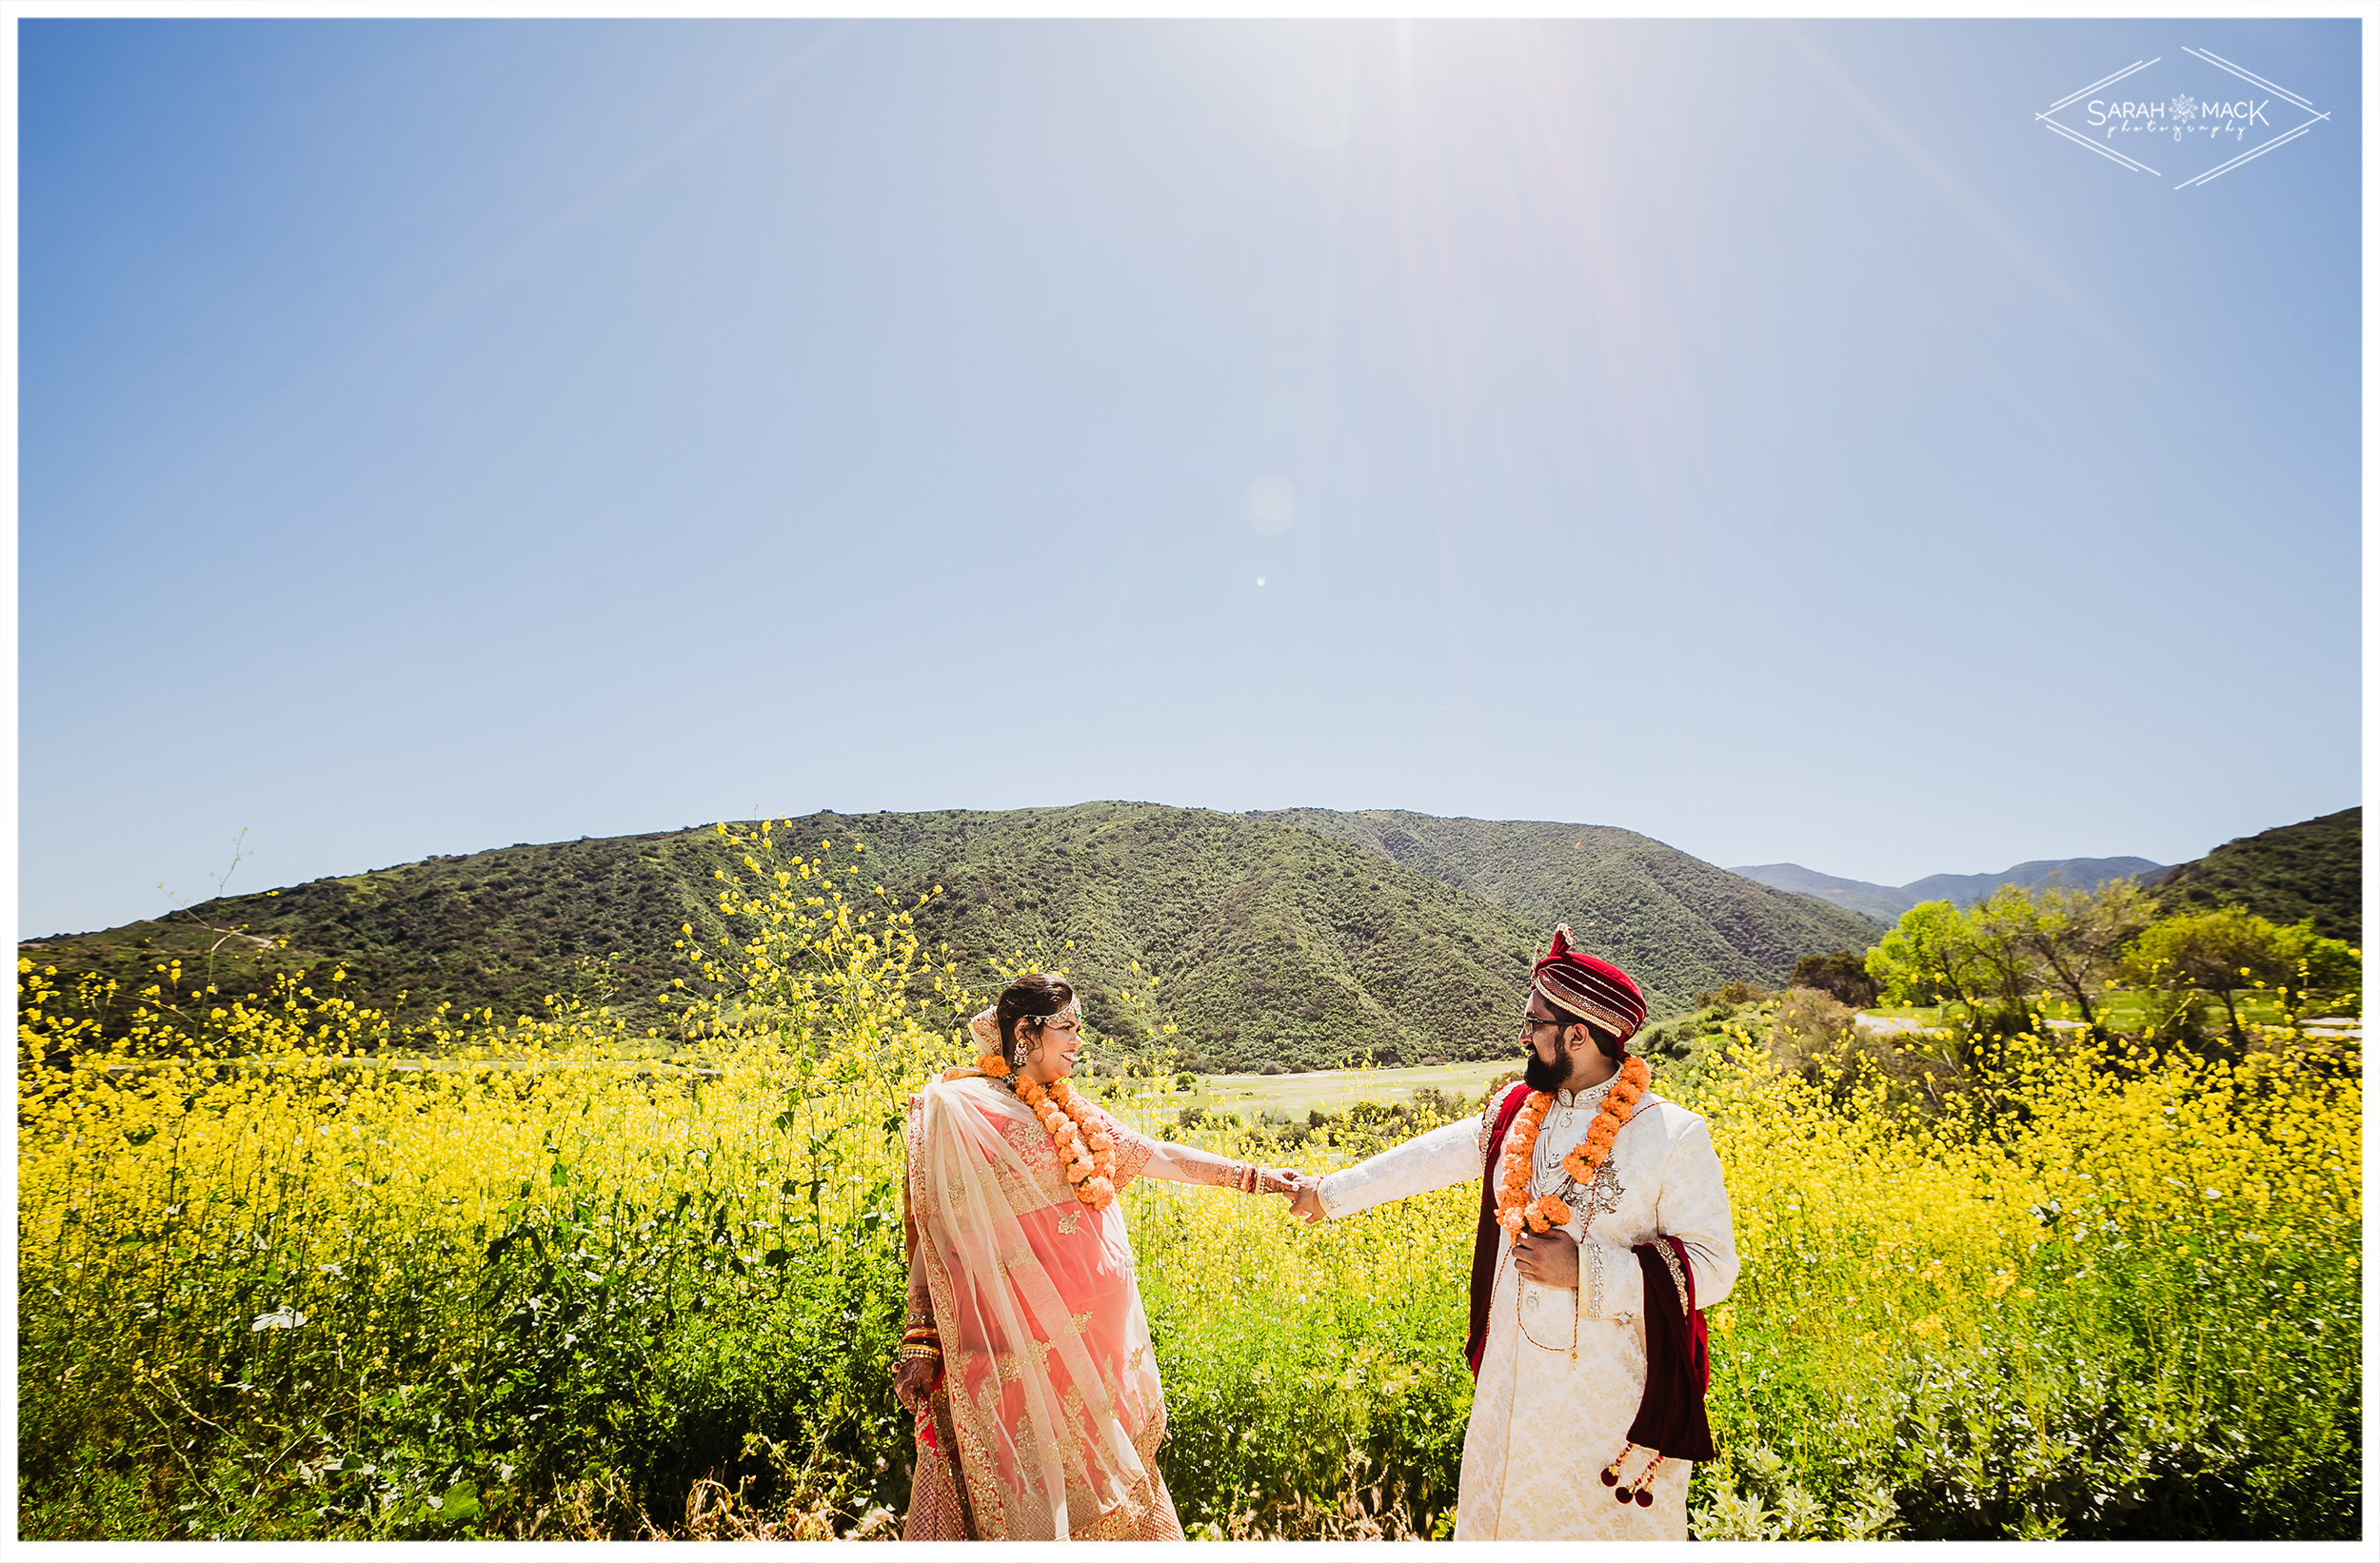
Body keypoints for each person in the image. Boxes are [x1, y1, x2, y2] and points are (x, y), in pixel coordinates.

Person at [1287, 927, 1739, 1539]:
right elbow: (1435, 1156)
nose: (1524, 1035)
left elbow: (1713, 1268)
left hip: (1607, 1403)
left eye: (1536, 1022)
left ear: (1577, 1035)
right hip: (1509, 1385)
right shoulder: (1518, 1112)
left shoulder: (1672, 1136)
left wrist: (1586, 1269)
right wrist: (1328, 1193)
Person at [894, 973, 1299, 1540]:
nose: (1079, 1041)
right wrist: (920, 1334)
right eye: (1067, 1029)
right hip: (1013, 1350)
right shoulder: (962, 1112)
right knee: (1028, 1498)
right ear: (1024, 1034)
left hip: (1094, 1356)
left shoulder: (1075, 1112)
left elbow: (1155, 1155)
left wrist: (1255, 1178)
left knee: (1112, 1489)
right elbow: (936, 1234)